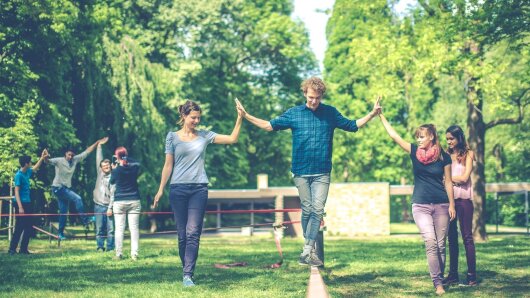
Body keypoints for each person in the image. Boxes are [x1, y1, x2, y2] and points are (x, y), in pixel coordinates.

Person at [235, 77, 380, 267]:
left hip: (322, 172)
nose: (314, 101)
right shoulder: (294, 114)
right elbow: (269, 126)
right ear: (305, 93)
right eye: (311, 97)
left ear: (321, 96)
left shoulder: (330, 113)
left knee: (317, 210)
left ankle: (307, 250)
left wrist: (372, 114)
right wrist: (246, 116)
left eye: (317, 98)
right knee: (307, 209)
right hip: (301, 171)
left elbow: (352, 125)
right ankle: (309, 251)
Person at [153, 100, 243, 287]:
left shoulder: (205, 135)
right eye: (193, 117)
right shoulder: (172, 137)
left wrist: (240, 118)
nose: (196, 121)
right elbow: (168, 165)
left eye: (198, 118)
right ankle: (186, 266)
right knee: (182, 235)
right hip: (177, 189)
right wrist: (161, 188)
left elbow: (232, 138)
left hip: (199, 188)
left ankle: (188, 274)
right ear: (184, 116)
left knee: (193, 232)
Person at [379, 112, 456, 295]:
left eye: (422, 137)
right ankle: (437, 283)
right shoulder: (414, 151)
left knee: (440, 244)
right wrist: (380, 115)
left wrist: (452, 204)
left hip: (442, 205)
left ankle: (440, 277)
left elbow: (448, 181)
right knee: (430, 241)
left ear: (431, 137)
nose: (419, 139)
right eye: (417, 137)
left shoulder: (444, 157)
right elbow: (394, 136)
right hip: (420, 204)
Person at [46, 138, 106, 240]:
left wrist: (97, 142)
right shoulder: (59, 161)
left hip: (64, 189)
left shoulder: (75, 160)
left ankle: (60, 233)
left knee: (64, 212)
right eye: (69, 155)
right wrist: (45, 157)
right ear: (65, 154)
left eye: (72, 155)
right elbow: (47, 161)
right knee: (77, 198)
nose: (70, 157)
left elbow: (87, 152)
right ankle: (86, 220)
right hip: (58, 188)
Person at [443, 125, 477, 286]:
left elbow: (464, 178)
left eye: (451, 138)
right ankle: (453, 275)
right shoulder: (445, 155)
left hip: (464, 202)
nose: (449, 141)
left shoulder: (469, 154)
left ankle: (471, 276)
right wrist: (448, 180)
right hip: (449, 202)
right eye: (447, 139)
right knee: (451, 239)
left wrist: (449, 180)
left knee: (467, 238)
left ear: (459, 138)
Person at [9, 149, 48, 255]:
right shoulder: (19, 175)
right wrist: (20, 207)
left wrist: (42, 157)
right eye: (30, 162)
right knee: (19, 226)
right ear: (26, 163)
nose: (31, 164)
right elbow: (16, 192)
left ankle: (23, 249)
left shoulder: (27, 172)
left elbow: (35, 168)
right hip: (20, 203)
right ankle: (12, 249)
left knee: (28, 226)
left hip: (28, 202)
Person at [107, 146, 141, 260]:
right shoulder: (134, 168)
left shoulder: (116, 171)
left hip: (119, 201)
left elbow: (111, 182)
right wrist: (125, 158)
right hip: (134, 200)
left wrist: (114, 167)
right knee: (134, 228)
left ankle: (118, 254)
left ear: (117, 157)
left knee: (119, 229)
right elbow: (138, 163)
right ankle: (134, 254)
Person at [93, 137, 114, 252]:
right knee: (100, 228)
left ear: (110, 166)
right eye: (104, 166)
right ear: (101, 168)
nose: (106, 167)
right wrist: (99, 146)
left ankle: (110, 248)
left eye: (108, 166)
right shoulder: (99, 174)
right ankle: (100, 247)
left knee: (110, 229)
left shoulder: (114, 176)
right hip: (98, 205)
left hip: (110, 206)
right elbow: (98, 159)